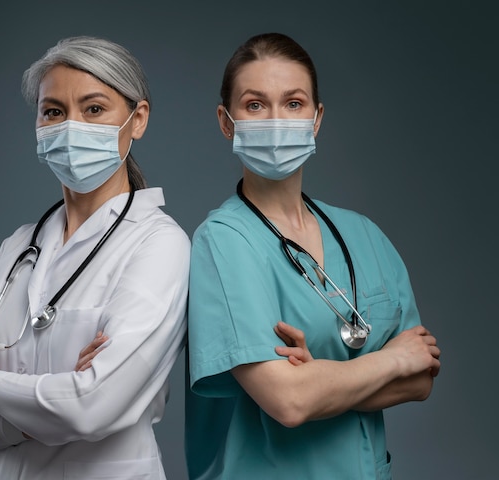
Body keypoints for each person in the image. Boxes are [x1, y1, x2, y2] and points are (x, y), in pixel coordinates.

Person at [0, 36, 190, 480]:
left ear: (137, 119)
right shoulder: (18, 248)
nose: (71, 126)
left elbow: (91, 407)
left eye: (93, 109)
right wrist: (55, 404)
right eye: (54, 111)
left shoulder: (159, 245)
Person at [185, 32, 441, 479]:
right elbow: (290, 401)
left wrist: (319, 377)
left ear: (317, 118)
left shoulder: (363, 234)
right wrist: (390, 360)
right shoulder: (223, 242)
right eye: (255, 105)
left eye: (294, 103)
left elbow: (421, 378)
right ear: (227, 122)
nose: (277, 120)